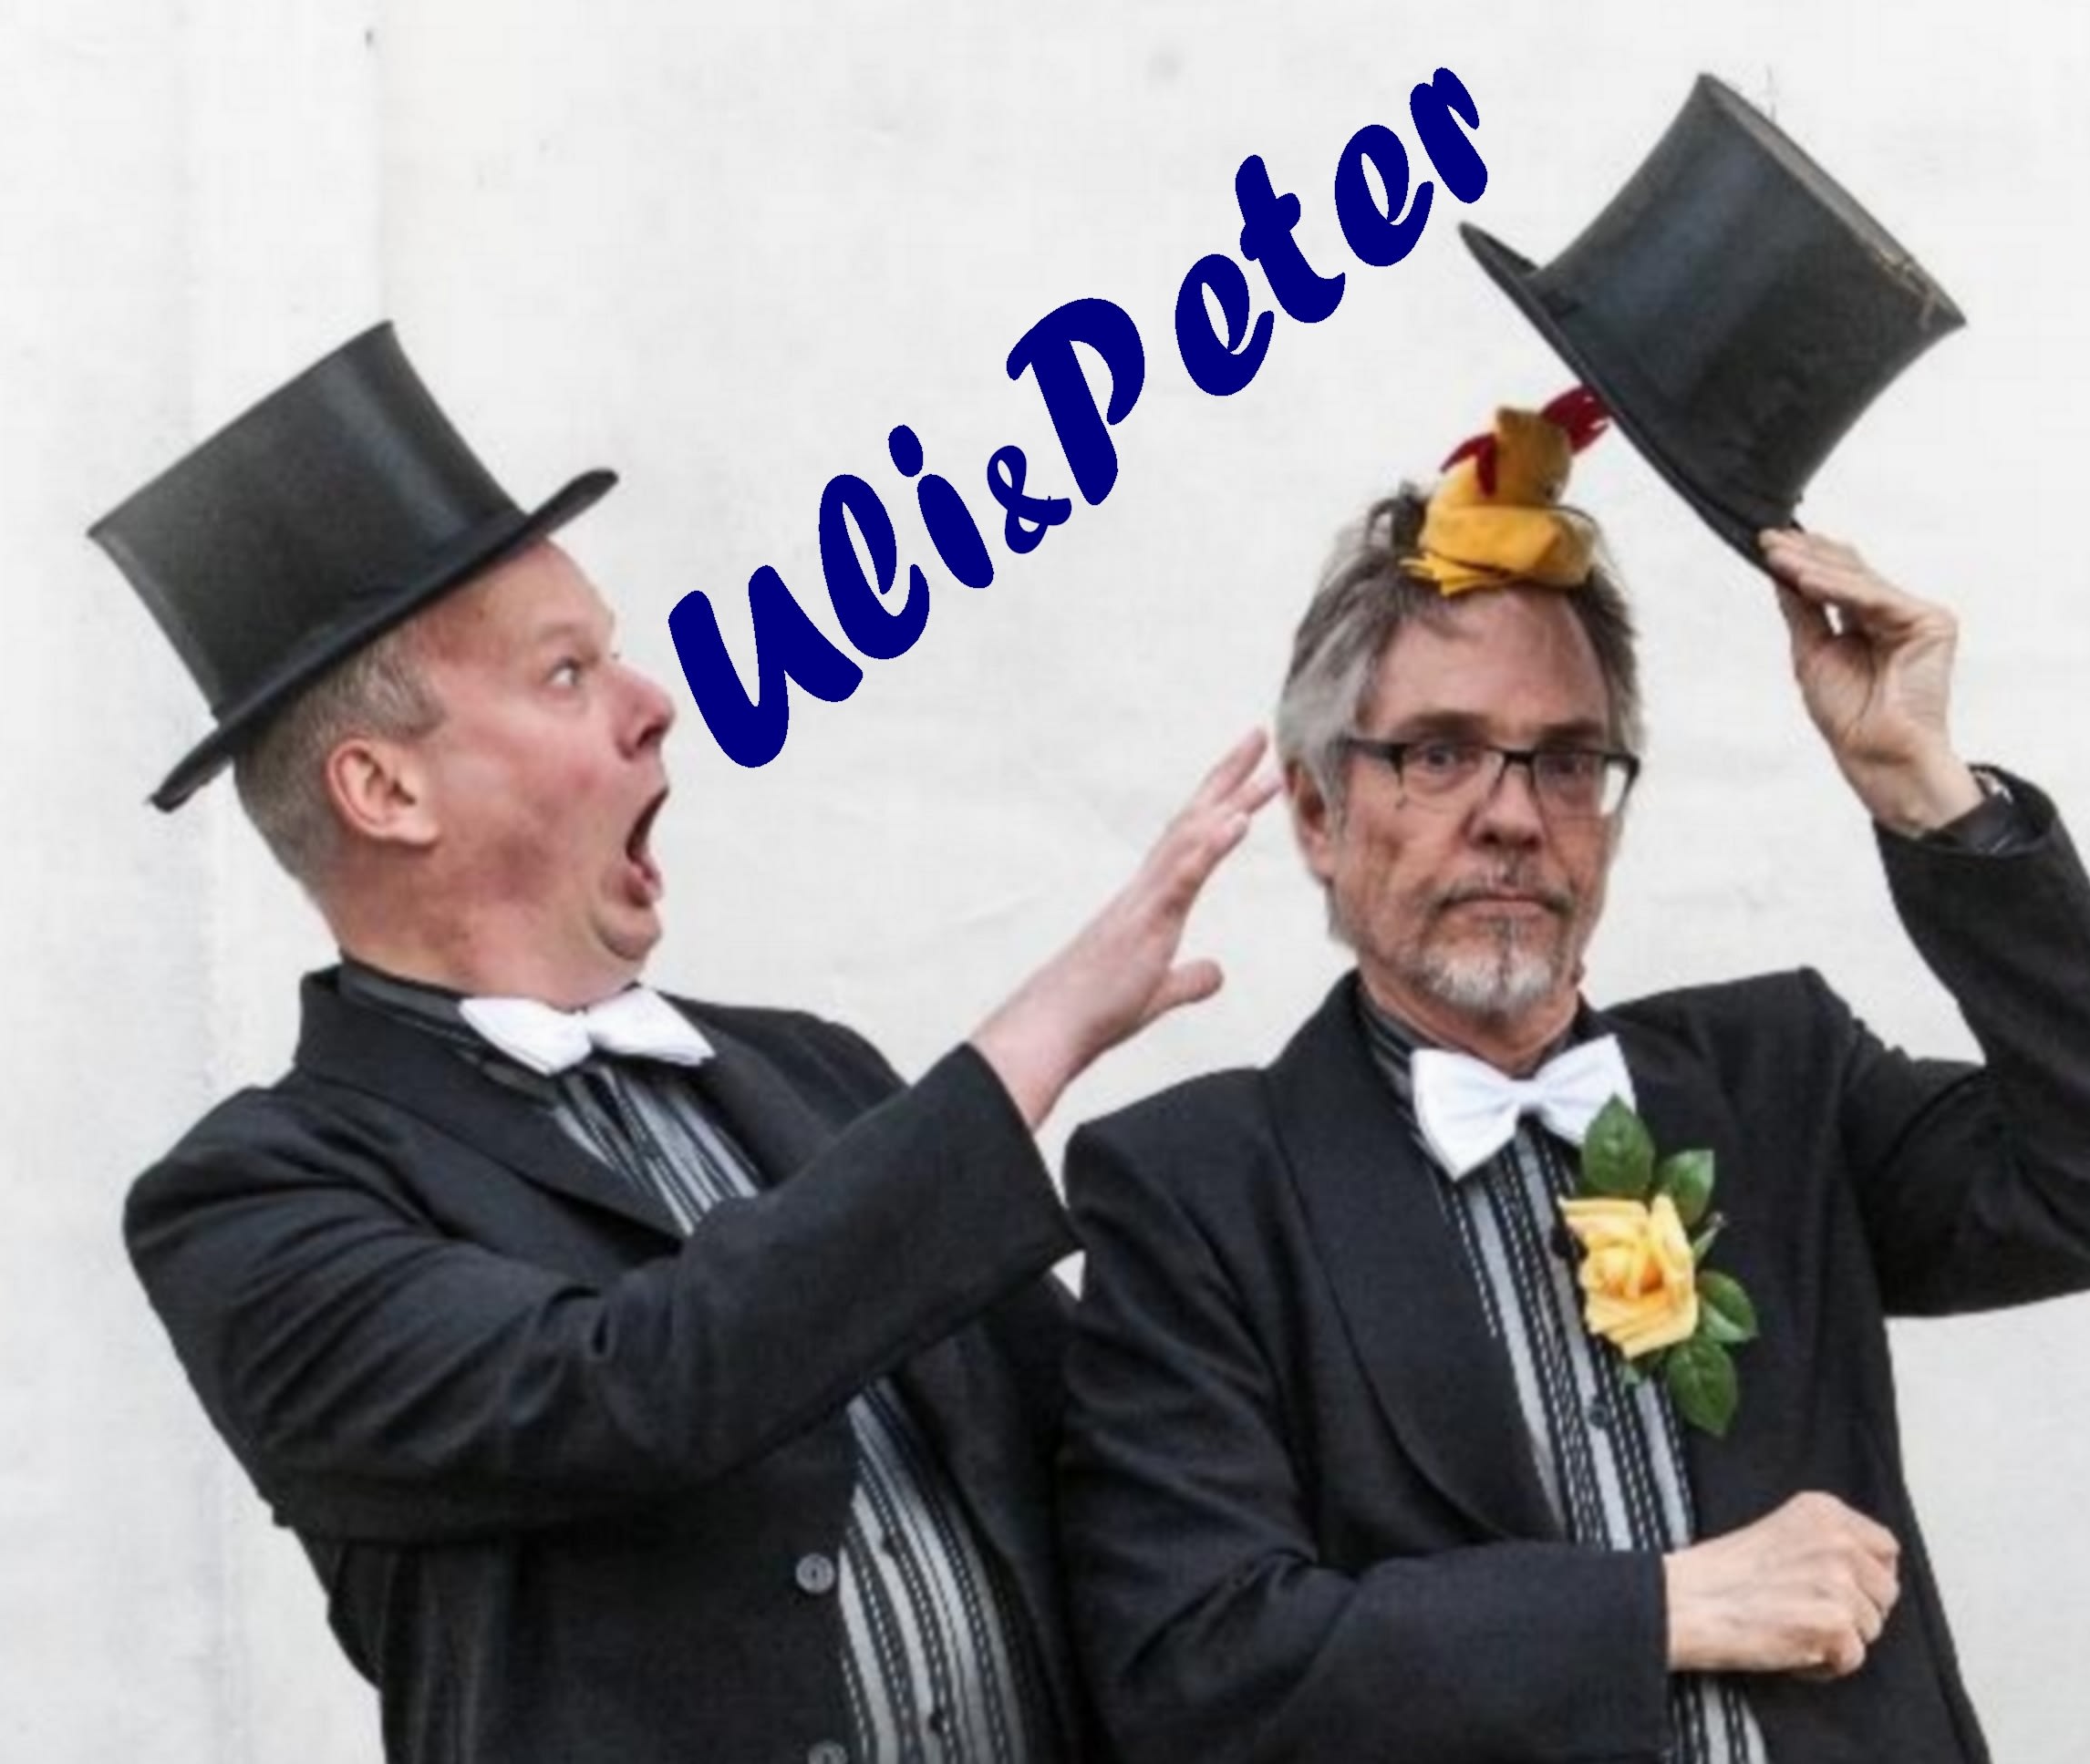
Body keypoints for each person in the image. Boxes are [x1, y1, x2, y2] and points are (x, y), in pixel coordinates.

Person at [91, 324, 1275, 1764]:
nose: (654, 704)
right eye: (567, 675)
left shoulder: (817, 1074)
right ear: (387, 790)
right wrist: (1038, 1038)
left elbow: (1106, 1452)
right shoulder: (253, 1203)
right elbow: (623, 1392)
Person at [1053, 405, 2090, 1763]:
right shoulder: (1196, 1189)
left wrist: (1926, 791)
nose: (1513, 815)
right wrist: (1661, 1610)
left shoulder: (1780, 1082)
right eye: (1439, 753)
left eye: (1567, 761)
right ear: (1321, 814)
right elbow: (1200, 1673)